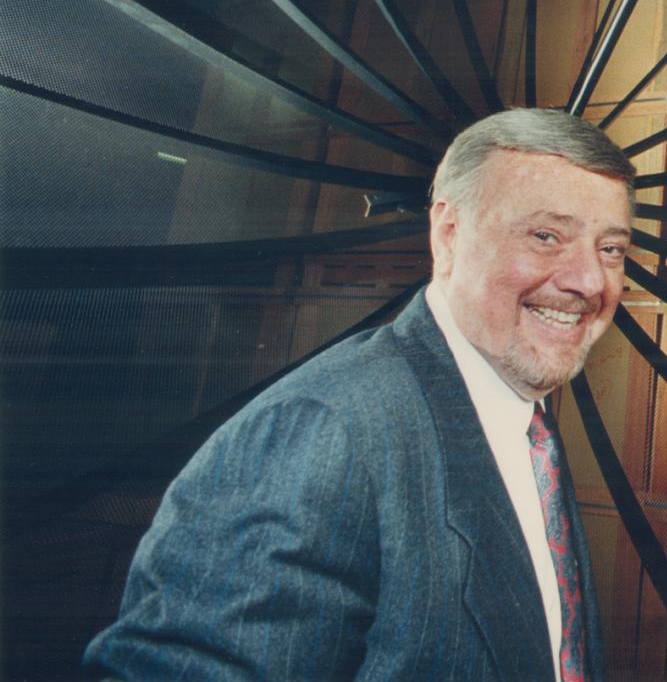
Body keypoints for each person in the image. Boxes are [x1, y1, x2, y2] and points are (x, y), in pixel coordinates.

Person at [86, 108, 636, 681]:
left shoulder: (528, 425)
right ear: (448, 233)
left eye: (611, 250)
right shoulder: (324, 432)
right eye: (546, 236)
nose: (589, 281)